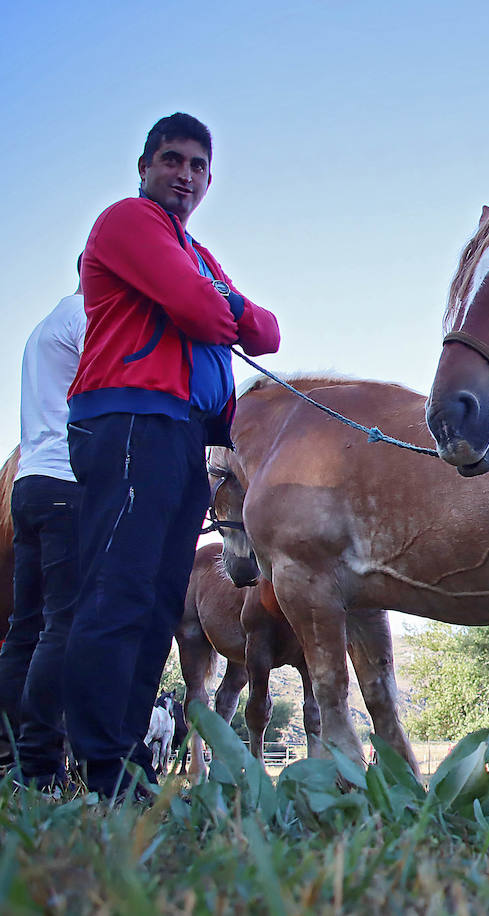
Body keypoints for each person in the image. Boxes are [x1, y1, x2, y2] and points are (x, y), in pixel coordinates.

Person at [63, 113, 280, 798]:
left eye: (196, 166)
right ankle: (100, 766)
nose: (184, 174)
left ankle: (127, 764)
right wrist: (217, 301)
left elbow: (265, 331)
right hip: (131, 420)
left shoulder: (194, 250)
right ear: (144, 167)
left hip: (187, 437)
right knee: (119, 592)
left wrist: (217, 299)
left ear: (209, 179)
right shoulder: (128, 223)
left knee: (157, 603)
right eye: (171, 160)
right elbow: (206, 312)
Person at [0, 258, 86, 789]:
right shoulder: (87, 317)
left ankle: (11, 756)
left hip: (29, 485)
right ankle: (42, 766)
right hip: (68, 484)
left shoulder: (45, 325)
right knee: (64, 625)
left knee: (24, 628)